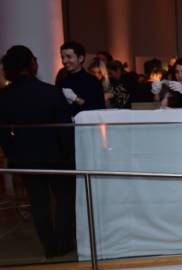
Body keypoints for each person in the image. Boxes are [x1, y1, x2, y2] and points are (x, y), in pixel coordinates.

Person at [0, 45, 76, 257]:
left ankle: (50, 247)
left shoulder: (4, 96)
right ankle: (64, 243)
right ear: (31, 64)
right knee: (63, 199)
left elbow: (3, 134)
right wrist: (70, 155)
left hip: (26, 158)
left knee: (38, 203)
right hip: (56, 157)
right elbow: (65, 129)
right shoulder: (50, 92)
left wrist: (13, 154)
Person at [57, 41, 106, 116]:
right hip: (67, 126)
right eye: (62, 57)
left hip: (87, 126)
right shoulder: (62, 82)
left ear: (80, 58)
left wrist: (76, 99)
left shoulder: (92, 81)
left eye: (69, 57)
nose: (64, 61)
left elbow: (99, 111)